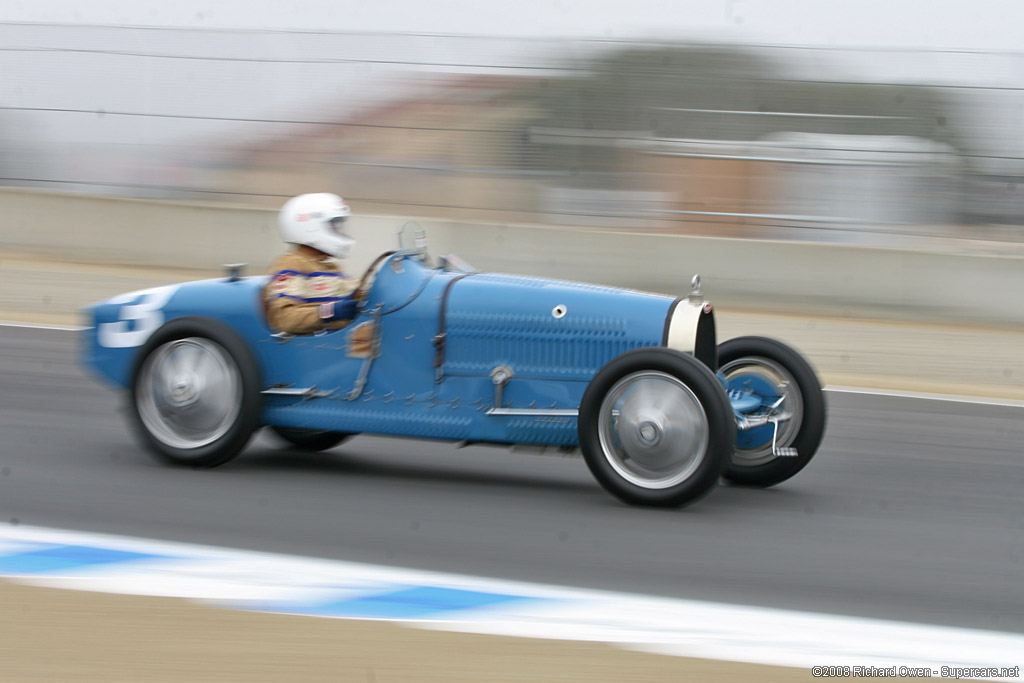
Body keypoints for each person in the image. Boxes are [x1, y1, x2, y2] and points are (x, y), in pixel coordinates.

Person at [264, 193, 362, 335]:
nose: (340, 231)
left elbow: (362, 297)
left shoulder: (330, 268)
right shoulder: (290, 264)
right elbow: (285, 319)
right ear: (311, 227)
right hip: (319, 347)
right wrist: (331, 312)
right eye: (335, 226)